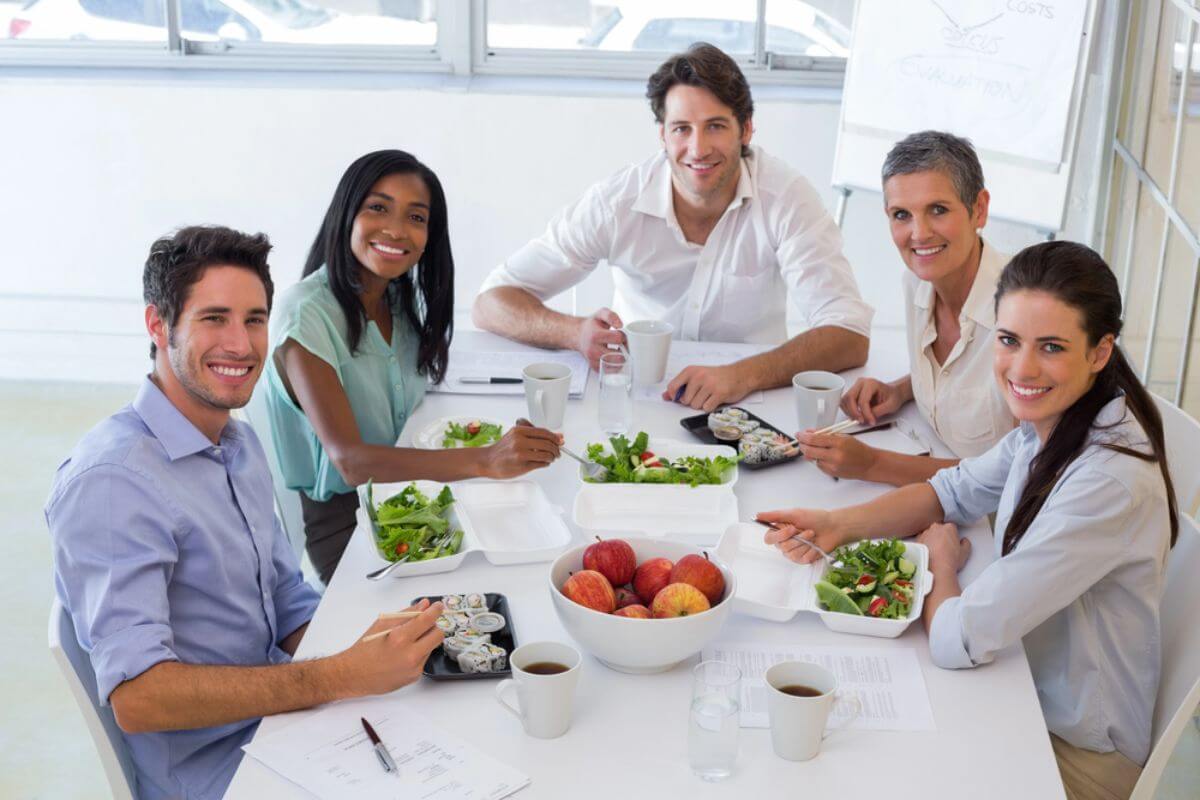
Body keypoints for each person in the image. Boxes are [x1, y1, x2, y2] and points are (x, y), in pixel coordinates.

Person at [760, 241, 1177, 800]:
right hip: (1021, 688)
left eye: (1051, 347)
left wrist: (941, 564)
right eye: (1009, 341)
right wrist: (836, 525)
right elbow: (951, 491)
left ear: (1101, 352)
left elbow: (957, 638)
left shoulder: (1106, 481)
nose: (1022, 369)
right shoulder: (1055, 416)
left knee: (851, 769)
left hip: (1074, 755)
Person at [45, 226, 446, 800]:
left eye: (254, 319)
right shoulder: (112, 483)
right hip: (223, 774)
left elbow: (284, 599)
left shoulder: (236, 441)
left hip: (290, 727)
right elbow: (139, 699)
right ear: (159, 325)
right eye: (214, 319)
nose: (242, 344)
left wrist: (366, 645)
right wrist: (340, 675)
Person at [472, 43, 873, 412]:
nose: (698, 149)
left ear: (746, 129)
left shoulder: (787, 196)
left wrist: (742, 375)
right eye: (682, 128)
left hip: (751, 401)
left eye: (715, 126)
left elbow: (849, 332)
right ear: (662, 135)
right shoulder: (617, 201)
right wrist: (574, 332)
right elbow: (491, 303)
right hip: (635, 399)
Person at [264, 150, 562, 584]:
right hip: (350, 524)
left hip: (415, 494)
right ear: (347, 213)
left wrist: (496, 449)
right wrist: (485, 459)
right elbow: (352, 462)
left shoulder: (397, 298)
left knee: (538, 547)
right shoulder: (306, 313)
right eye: (378, 208)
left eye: (416, 217)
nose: (397, 230)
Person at [797, 130, 1016, 485]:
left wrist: (873, 465)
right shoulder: (917, 282)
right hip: (938, 478)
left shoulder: (1023, 313)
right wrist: (900, 390)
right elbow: (963, 377)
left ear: (979, 209)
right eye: (902, 215)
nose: (919, 234)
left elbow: (1021, 473)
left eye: (938, 210)